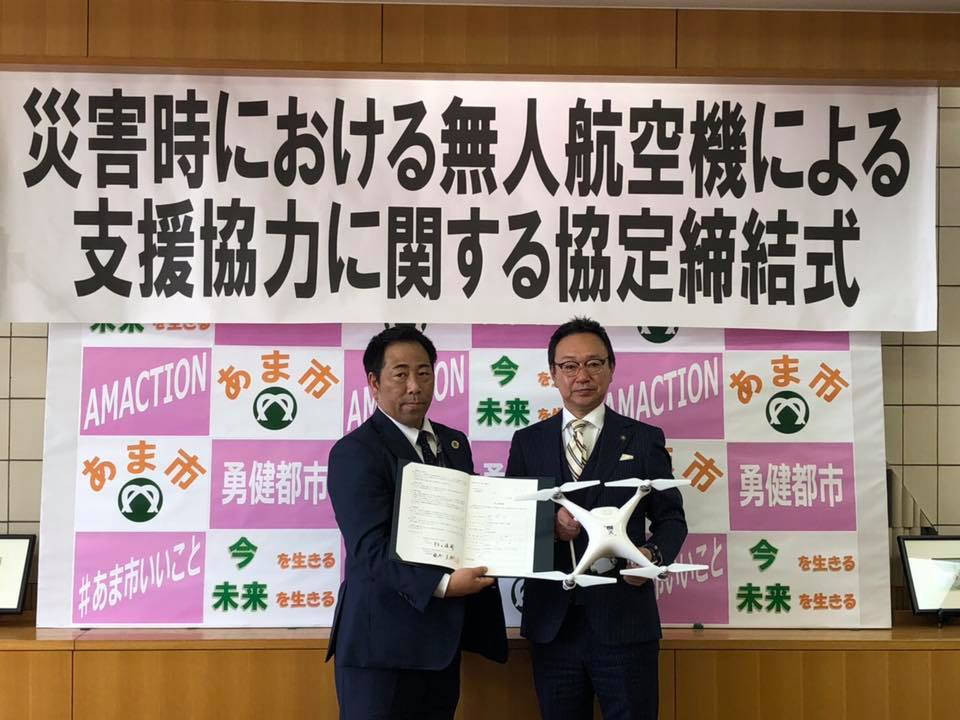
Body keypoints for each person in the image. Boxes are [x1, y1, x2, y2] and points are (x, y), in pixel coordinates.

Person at [506, 317, 687, 720]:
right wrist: (550, 526)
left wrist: (651, 557)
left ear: (611, 368)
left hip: (625, 622)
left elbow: (672, 518)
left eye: (593, 363)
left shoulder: (644, 438)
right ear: (553, 373)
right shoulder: (528, 442)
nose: (582, 376)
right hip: (553, 625)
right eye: (569, 366)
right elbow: (512, 520)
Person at [327, 326, 508, 720]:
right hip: (380, 647)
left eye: (424, 373)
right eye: (401, 374)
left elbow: (467, 521)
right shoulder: (355, 452)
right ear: (374, 383)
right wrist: (442, 585)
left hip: (441, 643)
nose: (414, 386)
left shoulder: (454, 443)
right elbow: (369, 549)